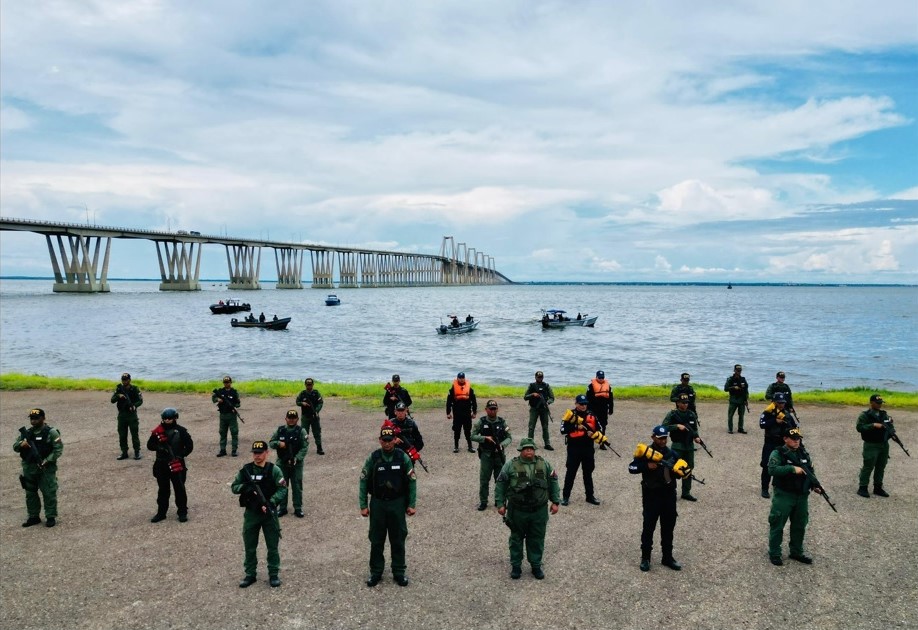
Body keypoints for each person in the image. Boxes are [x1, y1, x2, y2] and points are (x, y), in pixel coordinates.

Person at [359, 426, 418, 587]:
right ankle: (376, 572)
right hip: (378, 503)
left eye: (390, 440)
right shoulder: (374, 458)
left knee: (398, 538)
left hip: (397, 503)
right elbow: (363, 480)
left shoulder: (402, 457)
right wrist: (363, 505)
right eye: (384, 440)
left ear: (394, 440)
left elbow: (412, 480)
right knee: (376, 539)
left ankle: (399, 571)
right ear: (380, 441)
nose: (387, 443)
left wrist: (411, 504)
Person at [495, 437, 561, 580]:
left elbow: (553, 481)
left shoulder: (544, 464)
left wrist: (555, 501)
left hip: (539, 511)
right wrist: (500, 504)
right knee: (516, 538)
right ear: (521, 450)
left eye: (531, 448)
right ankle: (516, 566)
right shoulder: (510, 466)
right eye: (526, 448)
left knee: (537, 538)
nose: (529, 450)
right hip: (517, 511)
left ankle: (536, 565)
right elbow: (501, 484)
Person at [232, 440, 287, 588]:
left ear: (267, 453)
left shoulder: (274, 470)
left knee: (272, 546)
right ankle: (250, 574)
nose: (257, 456)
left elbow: (282, 489)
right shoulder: (246, 470)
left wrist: (272, 502)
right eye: (255, 453)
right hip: (252, 514)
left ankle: (273, 574)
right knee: (250, 546)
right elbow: (234, 487)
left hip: (269, 513)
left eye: (260, 453)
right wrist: (246, 488)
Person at [628, 425, 681, 572]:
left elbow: (679, 471)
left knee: (668, 527)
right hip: (652, 495)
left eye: (665, 438)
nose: (663, 441)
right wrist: (646, 466)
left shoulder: (672, 454)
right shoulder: (645, 453)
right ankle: (645, 558)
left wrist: (680, 472)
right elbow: (631, 468)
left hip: (669, 495)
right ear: (653, 438)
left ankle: (667, 557)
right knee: (648, 527)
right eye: (660, 438)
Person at [767, 427, 818, 566]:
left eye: (798, 439)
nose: (797, 442)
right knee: (777, 523)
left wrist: (815, 485)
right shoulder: (778, 453)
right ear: (785, 439)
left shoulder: (803, 453)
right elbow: (772, 469)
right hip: (784, 494)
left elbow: (810, 471)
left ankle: (796, 551)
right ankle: (775, 553)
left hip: (801, 496)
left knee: (800, 525)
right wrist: (791, 469)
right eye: (794, 439)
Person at [14, 408, 63, 528]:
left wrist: (47, 461)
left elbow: (58, 449)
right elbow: (15, 446)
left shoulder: (51, 432)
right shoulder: (26, 433)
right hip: (29, 468)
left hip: (45, 469)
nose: (33, 421)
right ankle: (33, 516)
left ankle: (50, 516)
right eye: (32, 418)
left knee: (49, 492)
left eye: (36, 418)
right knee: (30, 493)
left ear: (43, 418)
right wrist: (21, 444)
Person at [147, 407, 194, 523]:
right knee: (163, 490)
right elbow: (149, 445)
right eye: (165, 418)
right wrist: (160, 448)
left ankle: (182, 512)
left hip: (176, 463)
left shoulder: (181, 431)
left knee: (180, 490)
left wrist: (180, 456)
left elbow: (189, 446)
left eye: (170, 418)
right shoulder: (158, 431)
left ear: (175, 418)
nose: (167, 420)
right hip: (161, 464)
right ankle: (161, 513)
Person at [559, 394, 603, 506]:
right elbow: (563, 430)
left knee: (588, 473)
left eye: (585, 404)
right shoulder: (569, 415)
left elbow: (600, 429)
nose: (583, 406)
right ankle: (565, 497)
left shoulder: (592, 415)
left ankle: (590, 496)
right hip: (574, 448)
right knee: (570, 473)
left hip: (588, 448)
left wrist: (593, 433)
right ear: (576, 404)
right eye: (581, 404)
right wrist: (575, 427)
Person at [470, 400, 512, 510]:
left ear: (497, 409)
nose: (493, 411)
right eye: (491, 409)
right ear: (486, 409)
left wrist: (502, 445)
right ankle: (483, 501)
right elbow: (472, 436)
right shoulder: (481, 422)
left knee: (501, 479)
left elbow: (509, 437)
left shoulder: (502, 422)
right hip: (486, 455)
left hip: (499, 456)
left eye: (494, 408)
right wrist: (484, 438)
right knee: (484, 480)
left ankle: (500, 501)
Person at [662, 394, 703, 501]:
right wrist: (676, 426)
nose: (685, 404)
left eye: (687, 402)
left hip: (689, 446)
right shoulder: (672, 414)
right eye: (683, 402)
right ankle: (670, 491)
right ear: (678, 403)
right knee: (672, 468)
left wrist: (696, 437)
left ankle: (686, 492)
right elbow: (664, 427)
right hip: (677, 446)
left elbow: (694, 429)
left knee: (688, 469)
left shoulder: (691, 414)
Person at [268, 410, 309, 517]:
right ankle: (282, 508)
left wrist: (297, 458)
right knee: (282, 485)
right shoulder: (280, 430)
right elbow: (271, 443)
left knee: (297, 486)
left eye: (294, 418)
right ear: (285, 418)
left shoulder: (301, 431)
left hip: (296, 464)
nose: (291, 420)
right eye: (289, 418)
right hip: (282, 463)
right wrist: (279, 443)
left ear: (297, 419)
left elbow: (304, 447)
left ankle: (298, 508)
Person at [856, 394, 895, 498]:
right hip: (871, 444)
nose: (879, 405)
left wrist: (891, 426)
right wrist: (872, 425)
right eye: (877, 403)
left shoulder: (884, 415)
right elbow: (859, 427)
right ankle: (862, 487)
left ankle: (878, 487)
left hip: (883, 444)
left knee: (881, 466)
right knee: (868, 465)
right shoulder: (865, 415)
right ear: (871, 403)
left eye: (881, 403)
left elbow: (889, 426)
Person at [759, 392, 795, 498]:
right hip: (770, 442)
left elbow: (794, 428)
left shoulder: (787, 414)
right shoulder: (768, 412)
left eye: (783, 402)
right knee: (766, 465)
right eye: (779, 402)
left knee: (783, 465)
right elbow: (762, 424)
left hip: (782, 443)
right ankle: (764, 488)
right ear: (774, 402)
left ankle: (780, 487)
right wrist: (774, 421)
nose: (781, 404)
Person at [111, 372, 144, 460]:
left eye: (126, 380)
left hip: (131, 414)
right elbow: (112, 400)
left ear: (129, 380)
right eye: (123, 380)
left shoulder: (135, 389)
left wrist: (134, 406)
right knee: (122, 434)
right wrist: (118, 395)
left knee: (134, 434)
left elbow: (140, 401)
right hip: (122, 414)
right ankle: (124, 452)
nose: (124, 382)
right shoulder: (119, 388)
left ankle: (137, 452)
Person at [446, 371, 478, 453]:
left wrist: (474, 412)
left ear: (465, 378)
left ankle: (470, 446)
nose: (461, 379)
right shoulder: (452, 389)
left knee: (467, 431)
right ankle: (456, 447)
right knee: (457, 430)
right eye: (460, 378)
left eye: (462, 378)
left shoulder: (470, 389)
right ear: (457, 379)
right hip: (457, 413)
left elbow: (474, 401)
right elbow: (449, 402)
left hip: (467, 413)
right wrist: (448, 412)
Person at [523, 371, 555, 450]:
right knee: (531, 427)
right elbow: (525, 397)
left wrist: (548, 402)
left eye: (541, 377)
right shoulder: (532, 386)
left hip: (543, 409)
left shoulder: (546, 386)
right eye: (538, 377)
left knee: (545, 427)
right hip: (534, 409)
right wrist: (532, 394)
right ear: (535, 377)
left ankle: (547, 443)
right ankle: (530, 443)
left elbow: (552, 397)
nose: (540, 379)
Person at [212, 375, 241, 457]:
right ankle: (222, 450)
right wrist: (218, 400)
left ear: (231, 383)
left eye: (228, 382)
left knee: (234, 433)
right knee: (222, 433)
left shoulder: (234, 392)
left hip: (232, 416)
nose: (226, 384)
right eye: (225, 382)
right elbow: (213, 398)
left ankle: (234, 450)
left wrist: (235, 407)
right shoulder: (220, 391)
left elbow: (238, 403)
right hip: (223, 415)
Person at [295, 378, 325, 455]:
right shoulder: (302, 393)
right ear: (305, 385)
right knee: (304, 433)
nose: (309, 386)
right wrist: (302, 403)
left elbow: (320, 402)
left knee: (317, 432)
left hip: (314, 416)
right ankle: (303, 449)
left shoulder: (316, 393)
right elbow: (297, 402)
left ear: (313, 385)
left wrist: (317, 411)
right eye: (308, 385)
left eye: (310, 385)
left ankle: (319, 448)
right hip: (305, 416)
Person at [586, 370, 614, 447]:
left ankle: (602, 442)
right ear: (596, 377)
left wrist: (611, 409)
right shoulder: (590, 386)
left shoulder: (608, 386)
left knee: (603, 425)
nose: (601, 379)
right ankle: (589, 442)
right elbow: (587, 398)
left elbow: (611, 399)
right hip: (593, 408)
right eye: (599, 377)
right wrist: (588, 410)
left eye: (602, 377)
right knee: (591, 425)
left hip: (604, 409)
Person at [724, 364, 749, 434]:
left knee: (741, 415)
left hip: (741, 400)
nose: (739, 372)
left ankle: (740, 428)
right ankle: (730, 429)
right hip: (733, 400)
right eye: (737, 370)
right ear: (734, 370)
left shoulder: (743, 379)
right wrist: (733, 387)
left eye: (740, 370)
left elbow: (746, 390)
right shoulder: (730, 379)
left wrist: (746, 399)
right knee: (730, 415)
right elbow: (725, 389)